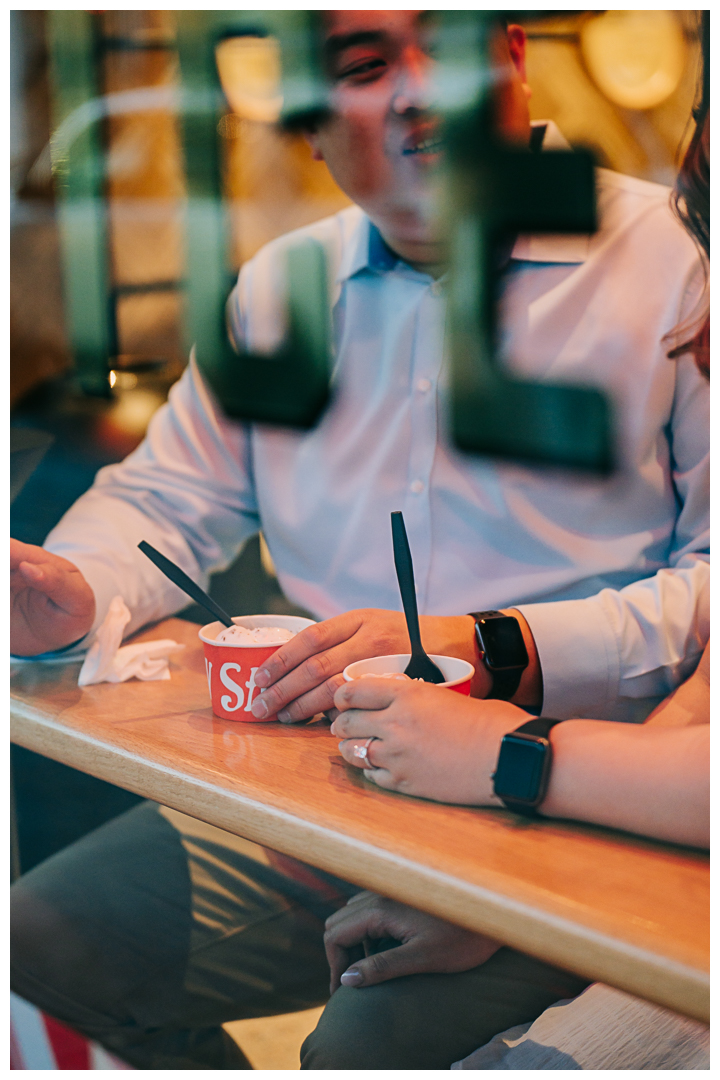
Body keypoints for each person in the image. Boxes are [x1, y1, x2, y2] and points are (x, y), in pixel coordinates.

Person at [10, 11, 709, 1071]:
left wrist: (505, 644)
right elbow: (162, 499)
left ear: (515, 58)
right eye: (365, 66)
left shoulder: (681, 261)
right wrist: (72, 589)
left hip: (599, 796)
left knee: (362, 1046)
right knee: (33, 951)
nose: (418, 92)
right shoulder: (280, 287)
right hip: (321, 783)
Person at [314, 60, 710, 1070]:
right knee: (362, 1040)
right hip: (610, 826)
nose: (693, 338)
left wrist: (510, 757)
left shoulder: (650, 259)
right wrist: (514, 900)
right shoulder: (280, 285)